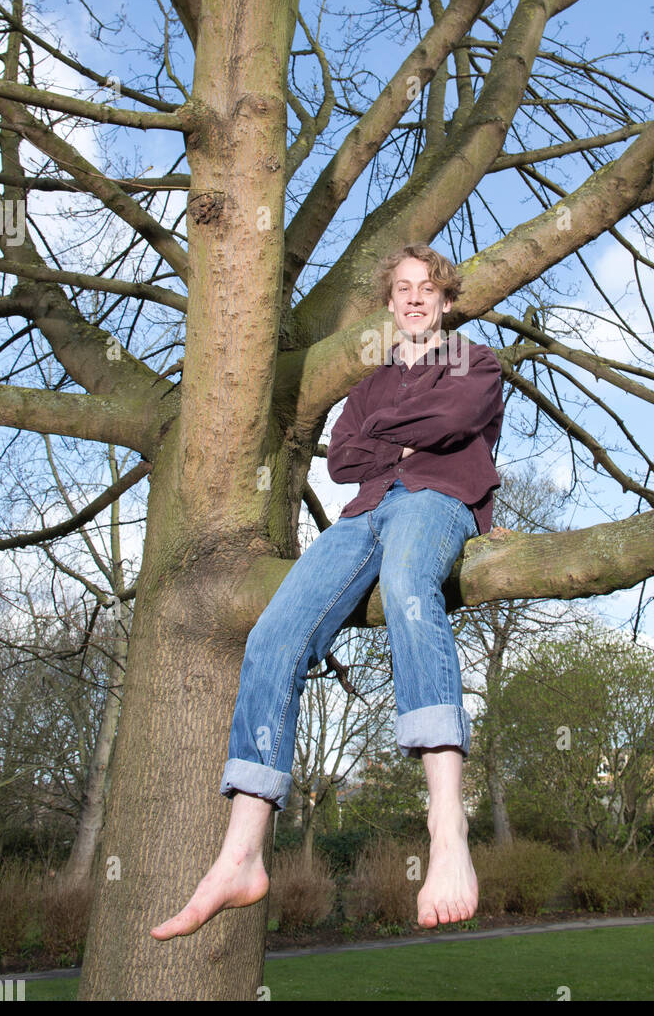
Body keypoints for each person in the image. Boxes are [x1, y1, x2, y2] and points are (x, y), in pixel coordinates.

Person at [151, 243, 505, 939]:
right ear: (389, 299)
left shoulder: (476, 362)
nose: (412, 297)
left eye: (426, 288)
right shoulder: (369, 383)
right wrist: (391, 445)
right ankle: (243, 851)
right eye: (401, 287)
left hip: (438, 500)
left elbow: (454, 424)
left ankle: (447, 831)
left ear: (446, 299)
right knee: (272, 634)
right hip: (363, 512)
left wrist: (393, 444)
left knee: (408, 585)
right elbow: (342, 458)